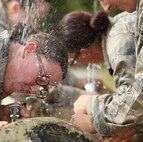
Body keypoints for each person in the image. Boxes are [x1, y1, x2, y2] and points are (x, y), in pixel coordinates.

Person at [55, 10, 143, 141]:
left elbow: (134, 100)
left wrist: (91, 107)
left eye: (73, 61)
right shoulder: (117, 27)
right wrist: (135, 128)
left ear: (84, 52)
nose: (76, 64)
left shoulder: (119, 45)